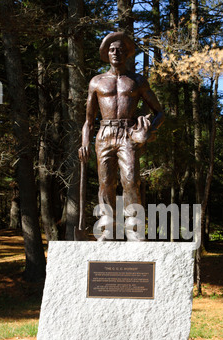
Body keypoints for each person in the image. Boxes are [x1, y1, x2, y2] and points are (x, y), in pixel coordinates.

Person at [78, 31, 164, 241]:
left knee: (130, 180)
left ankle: (134, 228)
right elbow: (89, 120)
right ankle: (108, 228)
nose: (116, 53)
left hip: (128, 133)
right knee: (106, 182)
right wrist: (84, 144)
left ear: (127, 54)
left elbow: (160, 112)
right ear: (107, 54)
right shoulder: (96, 82)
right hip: (105, 133)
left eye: (120, 50)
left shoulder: (136, 81)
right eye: (112, 49)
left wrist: (149, 131)